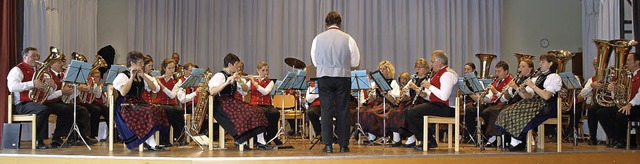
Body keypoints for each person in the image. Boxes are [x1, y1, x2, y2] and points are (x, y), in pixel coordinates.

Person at [310, 11, 360, 153]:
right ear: (340, 23)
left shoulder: (317, 39)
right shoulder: (348, 38)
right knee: (343, 110)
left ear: (326, 23)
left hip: (324, 78)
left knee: (326, 111)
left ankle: (328, 145)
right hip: (342, 77)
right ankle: (343, 145)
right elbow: (356, 62)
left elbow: (315, 61)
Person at [495, 53, 561, 151]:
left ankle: (518, 140)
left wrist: (533, 86)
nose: (540, 64)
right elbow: (527, 97)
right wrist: (522, 90)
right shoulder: (539, 77)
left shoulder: (554, 77)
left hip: (546, 107)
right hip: (534, 104)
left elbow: (546, 96)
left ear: (550, 64)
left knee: (517, 113)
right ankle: (517, 139)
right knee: (507, 111)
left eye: (543, 62)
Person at [208, 53, 271, 150]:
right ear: (230, 65)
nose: (238, 67)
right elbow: (212, 91)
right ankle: (241, 141)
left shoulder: (234, 75)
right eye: (236, 64)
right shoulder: (220, 75)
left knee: (256, 110)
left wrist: (239, 80)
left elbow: (245, 91)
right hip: (221, 104)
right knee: (242, 115)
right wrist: (226, 83)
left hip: (232, 102)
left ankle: (260, 141)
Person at [113, 51, 169, 150]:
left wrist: (144, 76)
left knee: (157, 109)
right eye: (140, 63)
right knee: (147, 111)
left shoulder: (141, 75)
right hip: (125, 105)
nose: (143, 65)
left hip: (138, 102)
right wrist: (131, 77)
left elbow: (156, 89)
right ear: (132, 64)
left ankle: (150, 141)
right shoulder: (123, 76)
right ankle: (150, 142)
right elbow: (123, 93)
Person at [404, 50, 458, 151]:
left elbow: (444, 96)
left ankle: (428, 141)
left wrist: (429, 86)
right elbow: (431, 97)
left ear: (439, 62)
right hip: (439, 105)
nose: (431, 64)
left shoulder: (447, 74)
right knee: (409, 112)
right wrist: (420, 91)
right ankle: (429, 140)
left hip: (448, 108)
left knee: (412, 113)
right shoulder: (436, 74)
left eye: (432, 61)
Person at [8, 47, 54, 149]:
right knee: (43, 110)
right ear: (25, 57)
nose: (36, 58)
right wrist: (32, 83)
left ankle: (57, 139)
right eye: (33, 56)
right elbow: (12, 87)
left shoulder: (38, 71)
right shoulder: (17, 70)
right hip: (22, 104)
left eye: (37, 56)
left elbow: (47, 92)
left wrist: (52, 85)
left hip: (36, 102)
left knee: (64, 109)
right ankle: (38, 140)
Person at [470, 61, 513, 146]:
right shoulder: (496, 81)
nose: (497, 74)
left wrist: (495, 91)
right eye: (496, 71)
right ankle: (473, 138)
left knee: (486, 112)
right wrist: (483, 96)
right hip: (492, 104)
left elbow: (506, 99)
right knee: (470, 110)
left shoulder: (510, 81)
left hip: (503, 105)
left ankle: (490, 137)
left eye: (499, 71)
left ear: (506, 71)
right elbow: (490, 98)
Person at [577, 57, 616, 146]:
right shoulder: (592, 79)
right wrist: (591, 86)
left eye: (598, 63)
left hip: (612, 103)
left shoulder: (613, 76)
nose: (596, 66)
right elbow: (582, 94)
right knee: (592, 109)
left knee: (599, 111)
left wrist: (611, 88)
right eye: (594, 64)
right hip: (600, 103)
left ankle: (611, 138)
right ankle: (593, 138)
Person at [359, 61, 400, 144]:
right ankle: (371, 136)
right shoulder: (375, 83)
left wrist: (384, 92)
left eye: (383, 69)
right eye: (380, 69)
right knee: (363, 111)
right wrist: (371, 93)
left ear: (388, 71)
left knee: (371, 112)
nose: (381, 71)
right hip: (377, 104)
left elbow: (394, 101)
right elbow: (372, 99)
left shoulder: (393, 83)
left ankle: (375, 135)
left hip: (387, 104)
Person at [246, 62, 282, 146]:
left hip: (266, 105)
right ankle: (258, 138)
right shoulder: (251, 81)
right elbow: (244, 90)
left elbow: (265, 92)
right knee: (262, 112)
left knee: (275, 113)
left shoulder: (270, 82)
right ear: (258, 71)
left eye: (266, 70)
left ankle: (271, 136)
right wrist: (240, 82)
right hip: (255, 105)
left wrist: (255, 83)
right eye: (263, 70)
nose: (265, 73)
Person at [610, 53, 640, 148]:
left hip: (637, 106)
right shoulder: (626, 76)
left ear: (637, 62)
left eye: (628, 60)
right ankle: (614, 138)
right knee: (603, 112)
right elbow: (618, 95)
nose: (626, 63)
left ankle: (621, 141)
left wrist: (630, 104)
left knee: (621, 113)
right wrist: (614, 90)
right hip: (627, 105)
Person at [154, 58, 186, 146]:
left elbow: (172, 95)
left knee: (178, 111)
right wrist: (156, 81)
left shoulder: (177, 81)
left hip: (171, 104)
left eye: (173, 68)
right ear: (164, 68)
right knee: (168, 111)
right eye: (170, 68)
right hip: (159, 103)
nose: (172, 70)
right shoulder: (158, 79)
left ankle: (179, 137)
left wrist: (160, 84)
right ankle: (164, 140)